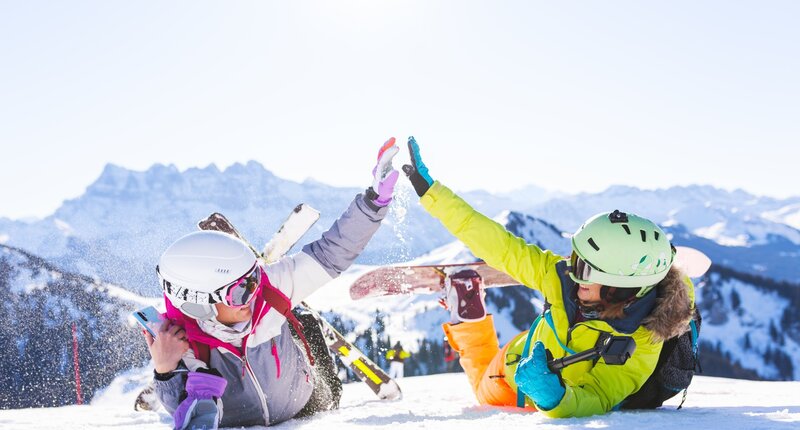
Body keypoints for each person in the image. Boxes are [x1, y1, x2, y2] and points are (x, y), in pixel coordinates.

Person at [401, 137, 695, 418]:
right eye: (577, 260)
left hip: (521, 384)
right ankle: (470, 321)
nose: (573, 274)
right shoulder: (562, 277)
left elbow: (600, 395)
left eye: (585, 270)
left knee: (482, 385)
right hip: (513, 367)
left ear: (619, 290)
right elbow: (500, 246)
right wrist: (432, 193)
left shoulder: (644, 340)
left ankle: (469, 319)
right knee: (482, 383)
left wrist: (556, 399)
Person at [143, 138, 401, 429]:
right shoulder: (181, 344)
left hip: (308, 402)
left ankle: (296, 323)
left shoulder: (268, 289)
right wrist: (164, 371)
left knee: (303, 324)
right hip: (238, 419)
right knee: (291, 319)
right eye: (240, 290)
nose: (254, 293)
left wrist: (374, 201)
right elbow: (193, 413)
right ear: (202, 305)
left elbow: (332, 252)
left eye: (253, 278)